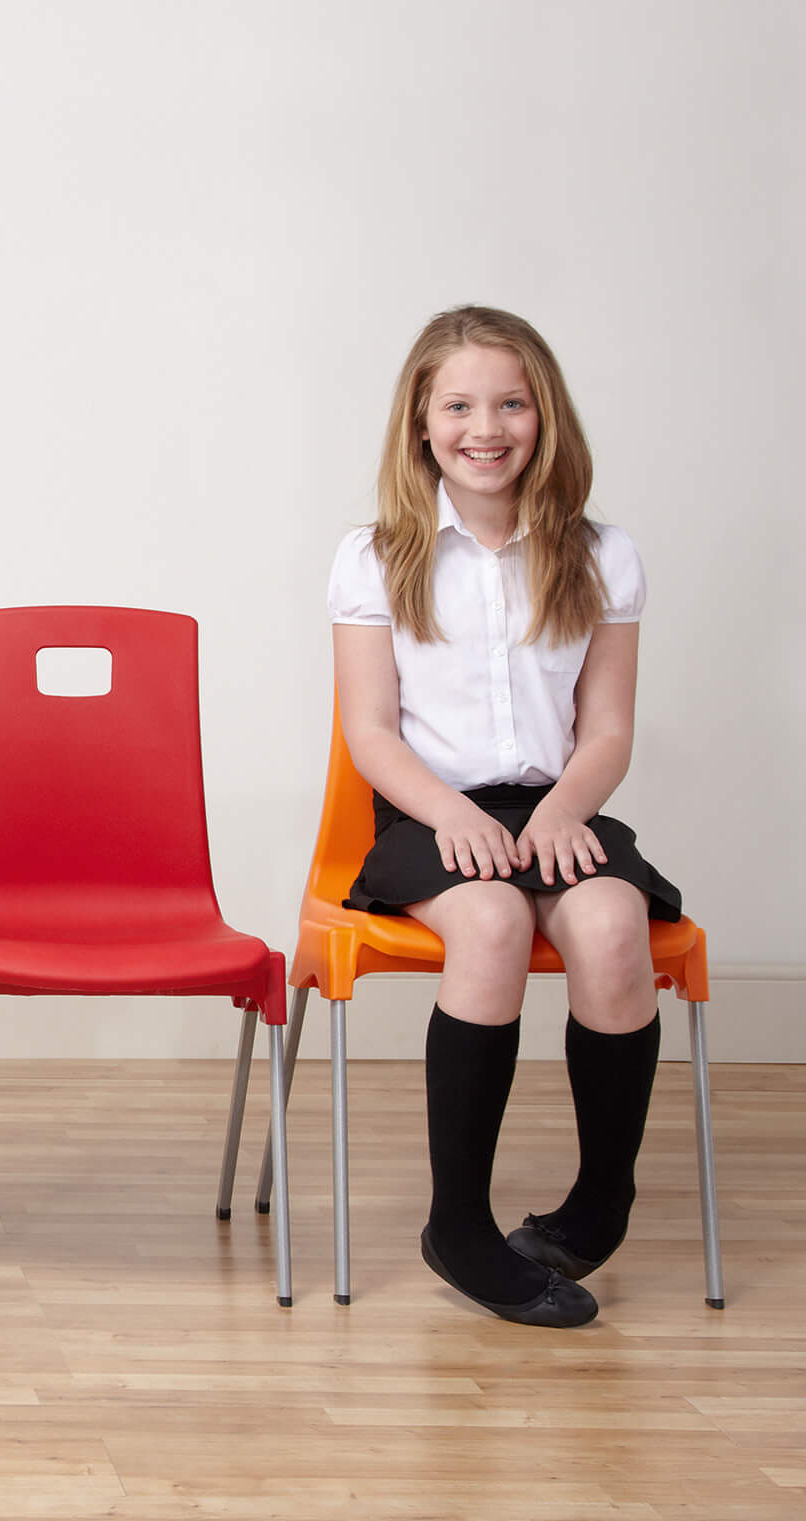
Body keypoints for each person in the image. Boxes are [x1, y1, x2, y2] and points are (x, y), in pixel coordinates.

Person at [330, 306, 682, 1328]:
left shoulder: (602, 554)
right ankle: (459, 1225)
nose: (488, 426)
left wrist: (565, 810)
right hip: (427, 814)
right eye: (460, 405)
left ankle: (598, 1202)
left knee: (614, 925)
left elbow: (606, 729)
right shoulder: (375, 556)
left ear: (546, 416)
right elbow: (372, 732)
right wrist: (451, 819)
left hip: (555, 803)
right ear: (423, 423)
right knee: (487, 919)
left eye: (512, 402)